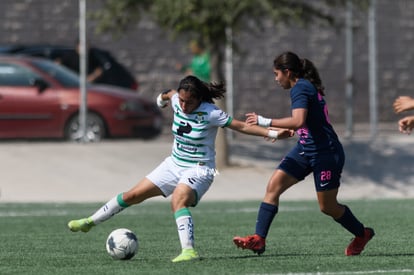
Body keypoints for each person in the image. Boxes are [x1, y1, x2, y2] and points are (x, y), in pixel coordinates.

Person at [67, 75, 294, 263]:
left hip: (201, 169)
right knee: (131, 195)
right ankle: (89, 222)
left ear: (199, 100)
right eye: (182, 101)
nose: (184, 106)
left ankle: (189, 251)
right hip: (173, 164)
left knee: (178, 199)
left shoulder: (210, 112)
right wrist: (161, 99)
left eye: (189, 102)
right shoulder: (177, 99)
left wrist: (273, 133)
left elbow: (242, 126)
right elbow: (168, 94)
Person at [232, 51, 375, 256]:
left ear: (287, 72)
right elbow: (305, 122)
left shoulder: (300, 88)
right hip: (305, 149)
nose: (276, 79)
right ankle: (259, 239)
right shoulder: (304, 86)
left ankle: (362, 233)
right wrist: (285, 131)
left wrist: (265, 121)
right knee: (273, 186)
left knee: (327, 207)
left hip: (326, 152)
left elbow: (298, 120)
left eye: (276, 74)